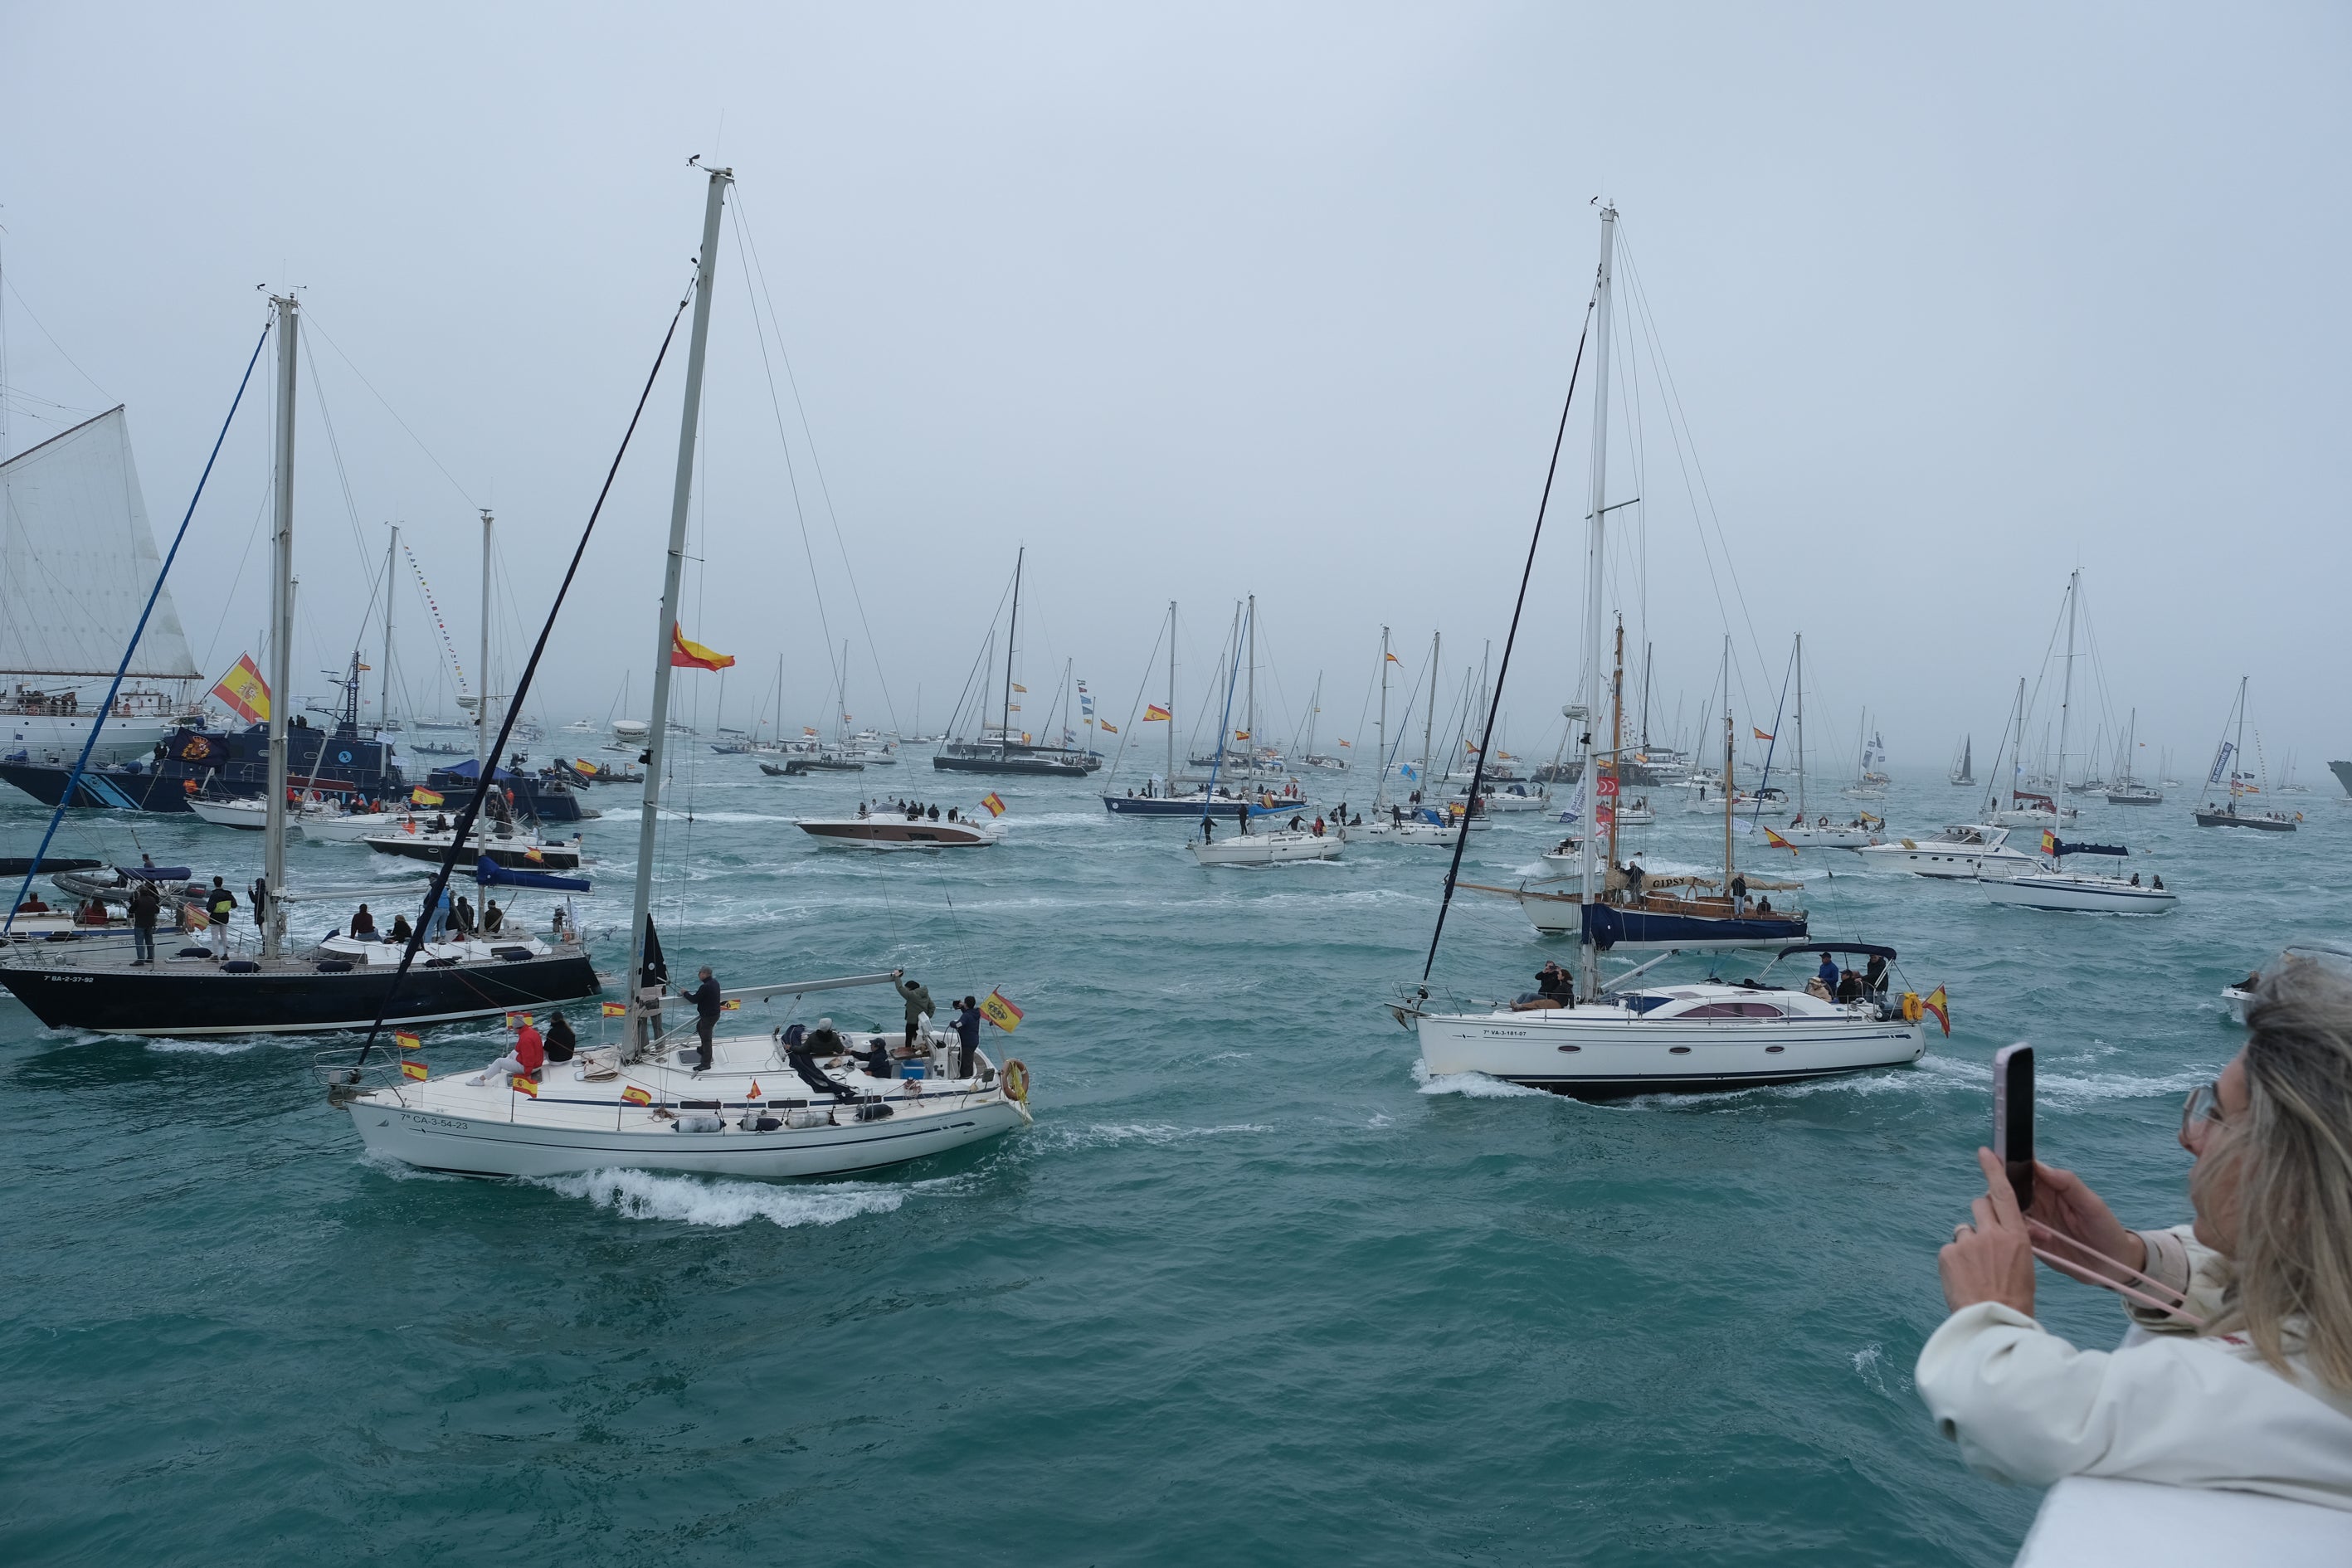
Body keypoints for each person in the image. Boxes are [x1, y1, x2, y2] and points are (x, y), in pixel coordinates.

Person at [1920, 958, 2352, 1507]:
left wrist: (1988, 1310)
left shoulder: (2289, 1395)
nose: (2189, 1137)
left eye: (2215, 1115)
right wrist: (2130, 1260)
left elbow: (2027, 1419)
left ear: (2290, 1174)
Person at [470, 1016, 546, 1088]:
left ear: (516, 1027)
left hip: (531, 1068)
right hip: (538, 1063)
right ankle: (495, 1068)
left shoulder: (525, 1039)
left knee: (499, 1061)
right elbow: (519, 1049)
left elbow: (529, 1058)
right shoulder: (531, 1031)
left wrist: (528, 1075)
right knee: (513, 1052)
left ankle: (480, 1080)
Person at [684, 964, 722, 1071]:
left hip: (709, 1016)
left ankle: (706, 1063)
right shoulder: (715, 983)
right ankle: (702, 1049)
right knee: (699, 1027)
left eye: (700, 973)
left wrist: (685, 993)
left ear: (705, 974)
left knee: (707, 1039)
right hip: (713, 1014)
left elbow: (694, 999)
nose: (698, 975)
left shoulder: (705, 986)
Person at [898, 975, 936, 1051]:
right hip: (922, 1022)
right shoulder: (926, 995)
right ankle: (926, 1051)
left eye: (907, 988)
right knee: (925, 1038)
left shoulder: (912, 995)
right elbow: (932, 1007)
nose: (906, 990)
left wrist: (896, 977)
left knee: (908, 1039)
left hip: (912, 1022)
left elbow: (900, 988)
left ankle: (908, 1054)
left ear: (911, 988)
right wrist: (927, 1017)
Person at [129, 877, 159, 966]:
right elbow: (157, 910)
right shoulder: (153, 900)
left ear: (140, 893)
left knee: (139, 942)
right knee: (149, 941)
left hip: (140, 924)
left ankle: (140, 960)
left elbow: (130, 910)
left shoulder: (138, 901)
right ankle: (150, 958)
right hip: (150, 923)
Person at [953, 996, 982, 1079]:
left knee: (966, 1064)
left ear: (966, 1004)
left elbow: (960, 1024)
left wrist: (952, 1024)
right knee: (962, 1059)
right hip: (973, 1041)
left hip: (967, 1043)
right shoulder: (975, 1013)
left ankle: (967, 1080)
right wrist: (963, 1008)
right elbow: (968, 1016)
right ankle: (962, 1077)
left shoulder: (966, 1016)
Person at [207, 877, 236, 957]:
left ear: (214, 883)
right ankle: (226, 954)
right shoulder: (228, 894)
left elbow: (209, 908)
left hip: (215, 917)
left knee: (215, 937)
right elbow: (234, 905)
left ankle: (215, 955)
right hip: (225, 916)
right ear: (222, 883)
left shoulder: (214, 895)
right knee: (224, 936)